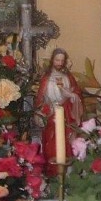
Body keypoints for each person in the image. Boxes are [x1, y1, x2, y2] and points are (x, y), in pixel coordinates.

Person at [35, 48, 85, 176]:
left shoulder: (68, 77)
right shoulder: (46, 78)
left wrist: (72, 95)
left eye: (62, 60)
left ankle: (67, 173)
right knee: (52, 144)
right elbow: (40, 98)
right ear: (52, 60)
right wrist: (44, 110)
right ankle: (53, 173)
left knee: (67, 142)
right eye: (57, 60)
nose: (60, 63)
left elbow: (77, 93)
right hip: (51, 115)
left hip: (67, 113)